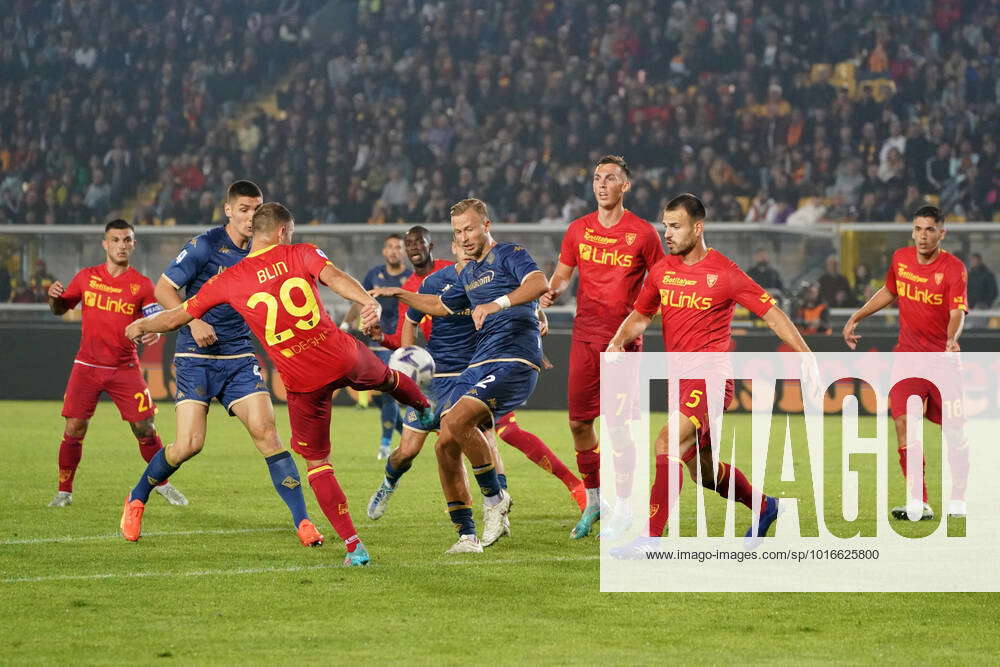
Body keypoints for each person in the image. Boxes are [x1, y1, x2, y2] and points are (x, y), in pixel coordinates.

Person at [124, 202, 434, 566]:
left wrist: (142, 325)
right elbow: (335, 277)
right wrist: (368, 302)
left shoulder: (227, 279)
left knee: (316, 462)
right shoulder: (299, 253)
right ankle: (425, 411)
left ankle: (352, 545)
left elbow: (178, 314)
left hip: (301, 379)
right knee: (390, 378)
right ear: (284, 231)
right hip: (338, 353)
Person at [605, 194, 817, 556]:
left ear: (697, 227)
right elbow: (642, 315)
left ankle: (650, 538)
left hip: (710, 379)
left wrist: (806, 356)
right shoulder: (662, 271)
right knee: (704, 474)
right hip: (679, 381)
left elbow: (771, 314)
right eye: (665, 225)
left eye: (675, 226)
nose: (667, 234)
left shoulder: (725, 273)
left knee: (666, 443)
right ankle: (766, 506)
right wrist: (616, 342)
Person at [152, 180, 323, 548]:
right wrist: (192, 321)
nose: (251, 216)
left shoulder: (264, 252)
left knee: (267, 432)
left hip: (239, 356)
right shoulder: (204, 245)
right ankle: (137, 497)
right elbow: (163, 288)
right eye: (244, 209)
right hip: (196, 356)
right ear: (228, 210)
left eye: (256, 209)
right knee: (189, 445)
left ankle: (304, 522)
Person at [371, 198, 549, 553]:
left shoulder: (510, 254)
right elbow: (439, 306)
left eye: (470, 229)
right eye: (458, 232)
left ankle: (495, 498)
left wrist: (501, 305)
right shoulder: (465, 274)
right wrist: (400, 293)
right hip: (478, 365)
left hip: (513, 358)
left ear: (486, 225)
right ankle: (467, 536)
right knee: (444, 444)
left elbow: (539, 283)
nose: (465, 237)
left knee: (461, 422)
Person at [366, 242, 585, 523]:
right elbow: (412, 320)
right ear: (453, 246)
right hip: (436, 378)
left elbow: (518, 297)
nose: (468, 249)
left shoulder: (490, 276)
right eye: (460, 239)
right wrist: (409, 372)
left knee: (492, 434)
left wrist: (538, 314)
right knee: (407, 451)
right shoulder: (436, 281)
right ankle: (388, 483)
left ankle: (498, 504)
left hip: (476, 371)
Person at [539, 155, 664, 539]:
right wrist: (550, 294)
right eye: (596, 178)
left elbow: (660, 283)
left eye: (610, 178)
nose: (601, 184)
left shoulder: (643, 234)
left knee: (619, 427)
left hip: (622, 343)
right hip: (584, 337)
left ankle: (625, 505)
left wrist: (639, 322)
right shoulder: (578, 230)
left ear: (625, 186)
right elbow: (562, 275)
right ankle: (595, 501)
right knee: (579, 422)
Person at [45, 219, 186, 508]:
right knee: (75, 427)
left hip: (125, 368)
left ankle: (163, 483)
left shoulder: (142, 285)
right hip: (87, 366)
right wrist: (53, 299)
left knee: (145, 428)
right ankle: (64, 492)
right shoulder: (86, 277)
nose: (121, 245)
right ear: (105, 244)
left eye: (127, 240)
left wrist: (155, 330)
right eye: (116, 240)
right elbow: (61, 309)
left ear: (133, 244)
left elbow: (154, 318)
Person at [843, 205, 969, 520]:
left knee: (954, 432)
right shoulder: (901, 259)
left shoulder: (954, 269)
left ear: (942, 233)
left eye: (929, 230)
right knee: (903, 423)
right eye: (918, 229)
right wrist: (856, 316)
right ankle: (917, 500)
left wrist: (952, 338)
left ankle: (958, 496)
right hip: (908, 360)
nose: (922, 236)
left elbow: (957, 312)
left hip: (943, 362)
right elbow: (889, 291)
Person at [342, 234, 412, 459]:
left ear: (403, 252)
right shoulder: (374, 275)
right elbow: (359, 299)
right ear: (384, 251)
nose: (394, 251)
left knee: (390, 394)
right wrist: (345, 324)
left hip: (397, 346)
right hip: (374, 344)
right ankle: (406, 437)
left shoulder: (410, 277)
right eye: (390, 247)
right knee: (381, 398)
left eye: (398, 247)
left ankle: (385, 444)